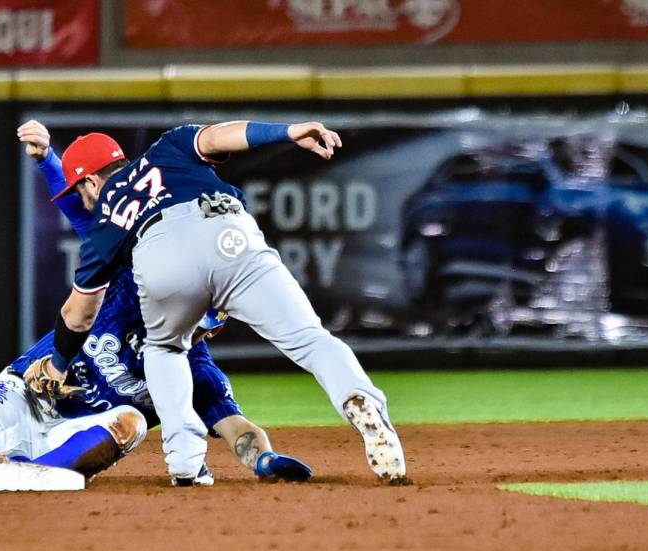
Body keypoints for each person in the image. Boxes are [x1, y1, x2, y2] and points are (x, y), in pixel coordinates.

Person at [0, 122, 313, 489]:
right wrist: (48, 161)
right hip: (36, 386)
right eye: (207, 313)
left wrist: (266, 461)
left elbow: (237, 428)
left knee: (130, 423)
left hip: (75, 433)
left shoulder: (191, 370)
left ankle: (30, 471)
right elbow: (88, 213)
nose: (206, 325)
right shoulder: (131, 272)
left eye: (213, 318)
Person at [22, 120, 407, 485]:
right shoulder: (168, 148)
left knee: (164, 349)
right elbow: (222, 135)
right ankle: (359, 398)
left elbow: (78, 313)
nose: (82, 201)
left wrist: (57, 365)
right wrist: (287, 131)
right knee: (311, 339)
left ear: (90, 181)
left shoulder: (106, 217)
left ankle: (185, 463)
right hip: (230, 232)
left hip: (162, 254)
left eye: (79, 191)